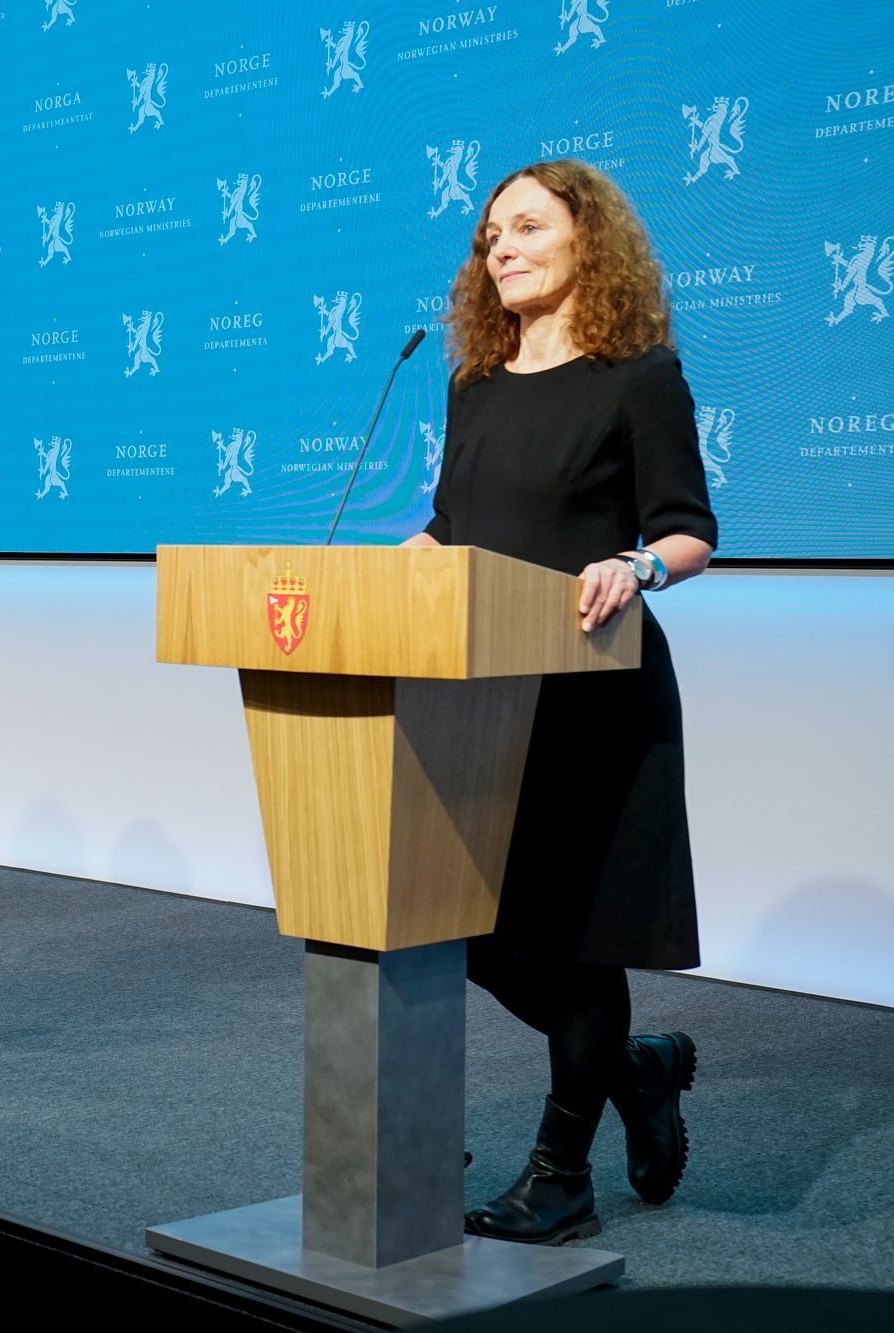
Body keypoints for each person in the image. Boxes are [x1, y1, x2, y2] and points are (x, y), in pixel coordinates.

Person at [402, 160, 718, 1243]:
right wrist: (406, 560)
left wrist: (638, 567)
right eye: (489, 233)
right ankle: (630, 1067)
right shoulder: (472, 383)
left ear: (588, 241)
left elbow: (687, 526)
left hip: (594, 693)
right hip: (481, 697)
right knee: (470, 933)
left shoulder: (638, 374)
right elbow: (455, 529)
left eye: (526, 226)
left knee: (578, 941)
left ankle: (560, 1176)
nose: (500, 247)